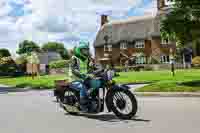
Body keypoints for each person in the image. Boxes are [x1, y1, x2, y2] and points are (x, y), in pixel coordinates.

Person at [70, 41, 102, 112]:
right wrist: (83, 75)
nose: (87, 51)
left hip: (85, 78)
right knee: (83, 87)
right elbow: (74, 70)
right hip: (74, 80)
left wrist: (100, 70)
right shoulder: (74, 58)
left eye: (87, 49)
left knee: (96, 84)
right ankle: (83, 104)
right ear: (80, 50)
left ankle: (93, 100)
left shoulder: (87, 59)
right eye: (84, 49)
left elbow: (93, 67)